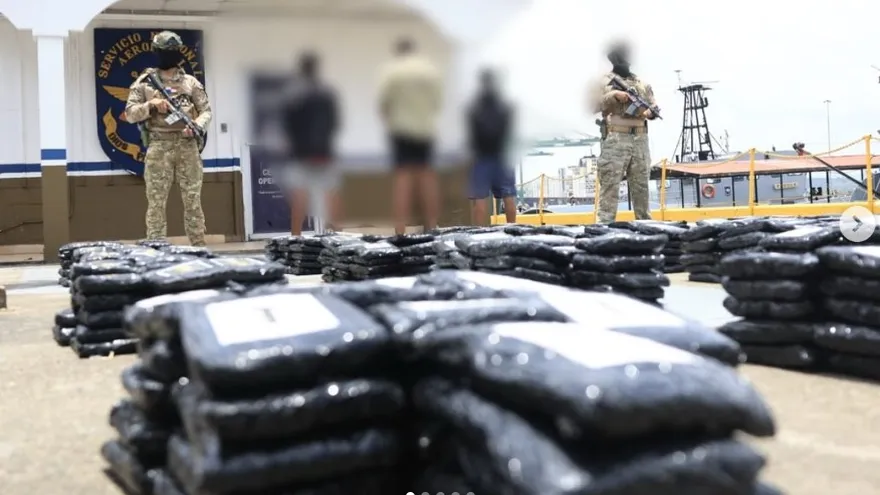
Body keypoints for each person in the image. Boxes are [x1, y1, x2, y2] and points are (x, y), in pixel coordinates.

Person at [124, 31, 211, 246]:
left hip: (187, 145)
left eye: (172, 52)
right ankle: (156, 248)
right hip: (159, 145)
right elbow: (130, 114)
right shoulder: (145, 83)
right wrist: (150, 105)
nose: (167, 56)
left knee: (193, 201)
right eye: (164, 52)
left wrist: (196, 126)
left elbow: (206, 111)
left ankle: (198, 247)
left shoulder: (190, 82)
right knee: (156, 202)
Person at [378, 38, 443, 235]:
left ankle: (400, 231)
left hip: (401, 130)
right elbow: (437, 103)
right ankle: (432, 226)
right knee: (427, 177)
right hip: (425, 130)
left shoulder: (392, 72)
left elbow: (384, 104)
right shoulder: (430, 71)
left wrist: (391, 124)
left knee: (403, 179)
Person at [277, 52, 342, 236]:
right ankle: (339, 236)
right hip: (324, 152)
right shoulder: (328, 93)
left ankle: (296, 237)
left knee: (299, 195)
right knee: (330, 194)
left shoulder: (293, 95)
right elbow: (335, 123)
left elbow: (287, 126)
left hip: (300, 153)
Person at [592, 41, 657, 223]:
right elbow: (592, 105)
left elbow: (653, 105)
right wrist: (613, 96)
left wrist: (651, 112)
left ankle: (646, 228)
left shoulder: (642, 84)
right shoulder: (602, 82)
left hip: (640, 139)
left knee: (641, 189)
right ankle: (604, 228)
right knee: (609, 189)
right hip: (615, 139)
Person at [467, 69, 516, 225]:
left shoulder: (475, 107)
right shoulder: (506, 106)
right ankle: (513, 230)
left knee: (480, 200)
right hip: (503, 156)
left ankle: (479, 233)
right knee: (508, 196)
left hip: (482, 157)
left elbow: (471, 134)